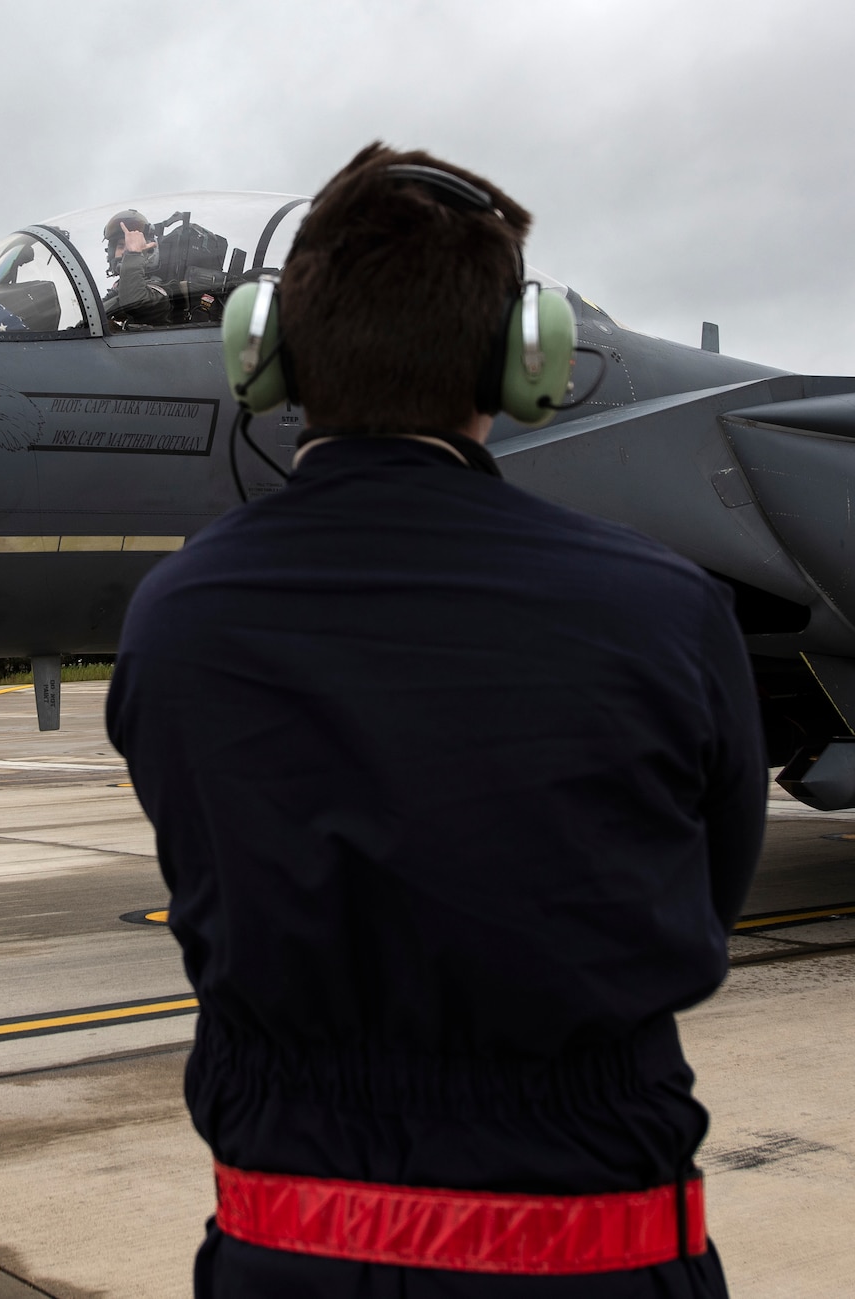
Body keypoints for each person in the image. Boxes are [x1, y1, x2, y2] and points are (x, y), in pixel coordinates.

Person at [106, 144, 761, 1296]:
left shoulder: (172, 618)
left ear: (261, 354)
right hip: (591, 1246)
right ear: (523, 361)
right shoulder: (661, 605)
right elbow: (706, 896)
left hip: (279, 1248)